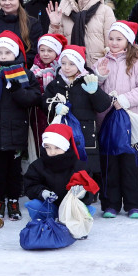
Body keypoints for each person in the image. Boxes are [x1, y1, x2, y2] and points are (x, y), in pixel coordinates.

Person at [0, 31, 40, 220]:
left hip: (16, 132)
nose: (3, 56)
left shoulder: (25, 75)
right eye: (0, 52)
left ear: (16, 54)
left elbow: (33, 99)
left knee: (14, 170)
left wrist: (18, 88)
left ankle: (13, 200)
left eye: (7, 52)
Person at [94, 21, 138, 218]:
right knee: (109, 164)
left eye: (118, 39)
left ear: (128, 41)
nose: (113, 42)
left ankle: (133, 204)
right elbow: (92, 88)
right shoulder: (102, 62)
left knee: (130, 165)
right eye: (111, 38)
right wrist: (100, 77)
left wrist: (126, 99)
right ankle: (110, 203)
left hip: (131, 124)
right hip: (107, 124)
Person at [43, 45, 113, 178]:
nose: (66, 67)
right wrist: (55, 106)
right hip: (63, 132)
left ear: (80, 65)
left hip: (85, 133)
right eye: (63, 63)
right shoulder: (56, 83)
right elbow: (45, 102)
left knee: (85, 166)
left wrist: (95, 92)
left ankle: (87, 194)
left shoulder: (87, 80)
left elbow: (103, 105)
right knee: (64, 164)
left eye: (71, 64)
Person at [47, 0, 116, 68]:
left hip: (97, 71)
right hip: (69, 72)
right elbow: (54, 47)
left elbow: (112, 46)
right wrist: (54, 25)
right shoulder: (64, 11)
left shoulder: (105, 11)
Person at [23, 123, 99, 211]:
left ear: (66, 147)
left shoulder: (79, 166)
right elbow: (30, 185)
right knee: (34, 205)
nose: (52, 152)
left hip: (72, 208)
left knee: (89, 210)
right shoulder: (37, 165)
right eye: (48, 147)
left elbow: (90, 189)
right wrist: (42, 192)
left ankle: (70, 219)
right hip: (49, 207)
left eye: (57, 148)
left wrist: (82, 194)